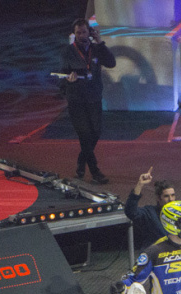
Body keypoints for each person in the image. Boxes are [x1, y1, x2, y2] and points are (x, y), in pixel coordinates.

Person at [60, 18, 116, 184]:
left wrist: (100, 42)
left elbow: (111, 63)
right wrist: (68, 80)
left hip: (94, 97)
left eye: (84, 32)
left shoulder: (96, 49)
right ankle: (95, 171)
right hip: (76, 99)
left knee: (95, 132)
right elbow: (60, 77)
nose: (81, 35)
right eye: (78, 32)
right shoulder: (68, 52)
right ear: (74, 34)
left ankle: (81, 160)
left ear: (89, 32)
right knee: (84, 135)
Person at [125, 168, 181, 250]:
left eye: (173, 195)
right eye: (166, 196)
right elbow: (131, 212)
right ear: (158, 198)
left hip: (180, 255)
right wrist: (140, 184)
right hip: (157, 256)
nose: (171, 199)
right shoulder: (150, 213)